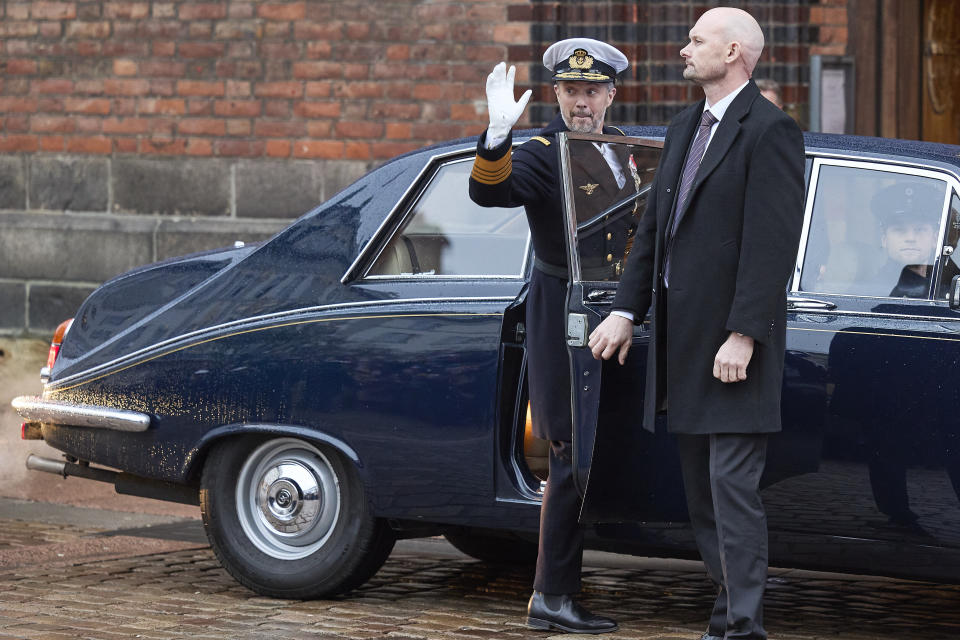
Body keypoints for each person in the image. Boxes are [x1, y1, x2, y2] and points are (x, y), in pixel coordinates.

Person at [588, 8, 805, 640]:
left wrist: (744, 333)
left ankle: (742, 628)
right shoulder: (685, 126)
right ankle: (727, 617)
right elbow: (655, 231)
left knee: (732, 494)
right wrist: (628, 311)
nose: (684, 50)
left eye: (696, 40)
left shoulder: (770, 131)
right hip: (682, 349)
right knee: (704, 499)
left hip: (735, 348)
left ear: (734, 51)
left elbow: (771, 244)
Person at [468, 38, 631, 634]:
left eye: (591, 91)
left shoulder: (621, 148)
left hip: (613, 309)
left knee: (600, 444)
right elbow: (491, 191)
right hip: (562, 309)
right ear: (557, 94)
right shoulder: (542, 151)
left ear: (611, 94)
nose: (580, 102)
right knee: (568, 450)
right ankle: (552, 595)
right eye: (569, 91)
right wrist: (495, 136)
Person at [863, 181, 942, 298]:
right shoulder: (870, 293)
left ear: (935, 239)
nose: (910, 238)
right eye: (899, 230)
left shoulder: (948, 286)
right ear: (884, 239)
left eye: (920, 229)